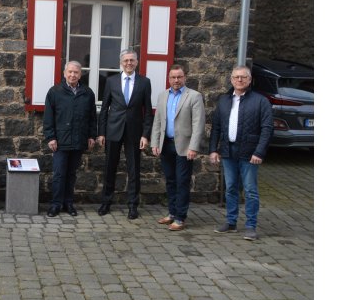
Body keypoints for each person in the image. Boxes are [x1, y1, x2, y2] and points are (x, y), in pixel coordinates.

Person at [209, 65, 274, 241]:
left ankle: (251, 226)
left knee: (250, 190)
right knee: (230, 188)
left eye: (243, 77)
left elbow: (267, 129)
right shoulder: (224, 100)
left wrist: (259, 152)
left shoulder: (261, 101)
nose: (239, 80)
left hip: (250, 152)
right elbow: (216, 127)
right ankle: (231, 222)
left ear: (249, 80)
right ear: (231, 80)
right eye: (236, 77)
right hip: (228, 151)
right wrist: (213, 149)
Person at [97, 50, 153, 219]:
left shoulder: (144, 82)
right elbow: (104, 108)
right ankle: (106, 203)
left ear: (137, 62)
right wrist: (101, 133)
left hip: (135, 132)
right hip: (113, 130)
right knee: (109, 168)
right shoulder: (111, 81)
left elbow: (148, 111)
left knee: (134, 169)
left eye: (132, 60)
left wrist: (146, 135)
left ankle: (133, 206)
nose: (129, 63)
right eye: (126, 60)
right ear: (121, 62)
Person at [150, 64, 205, 231]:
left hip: (184, 146)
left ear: (185, 77)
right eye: (173, 77)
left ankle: (180, 217)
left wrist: (193, 147)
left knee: (182, 182)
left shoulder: (194, 96)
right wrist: (155, 143)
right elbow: (158, 121)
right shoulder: (162, 96)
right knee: (170, 181)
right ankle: (172, 213)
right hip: (166, 144)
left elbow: (198, 124)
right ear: (169, 78)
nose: (176, 80)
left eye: (179, 77)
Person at [42, 61, 97, 217]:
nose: (73, 75)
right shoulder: (55, 92)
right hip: (60, 140)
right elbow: (48, 117)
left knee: (71, 174)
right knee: (59, 174)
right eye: (70, 72)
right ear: (64, 73)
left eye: (76, 72)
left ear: (80, 74)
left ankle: (68, 203)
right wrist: (51, 137)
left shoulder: (87, 93)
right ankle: (56, 204)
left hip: (79, 139)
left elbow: (92, 117)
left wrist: (92, 135)